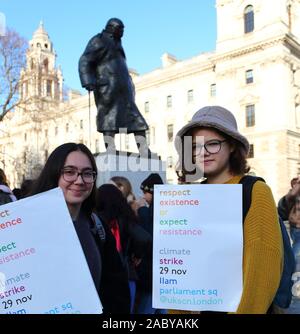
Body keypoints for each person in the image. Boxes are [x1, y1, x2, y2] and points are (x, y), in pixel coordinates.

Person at [173, 105, 283, 314]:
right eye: (194, 147)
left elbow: (262, 271)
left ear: (232, 145)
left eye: (212, 144)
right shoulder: (187, 197)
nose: (202, 153)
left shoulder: (255, 191)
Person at [29, 143, 104, 311]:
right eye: (69, 172)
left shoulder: (96, 225)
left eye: (87, 173)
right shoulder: (24, 226)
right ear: (54, 174)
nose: (79, 181)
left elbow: (113, 287)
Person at [78, 18, 150, 156]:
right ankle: (110, 149)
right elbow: (85, 60)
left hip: (123, 89)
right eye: (120, 29)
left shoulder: (118, 42)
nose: (122, 32)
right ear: (112, 28)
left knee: (137, 120)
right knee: (108, 119)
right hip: (107, 89)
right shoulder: (98, 40)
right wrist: (87, 80)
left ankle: (144, 150)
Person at [95, 184, 151, 314]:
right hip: (126, 274)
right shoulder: (125, 218)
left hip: (101, 277)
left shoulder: (94, 219)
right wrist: (137, 255)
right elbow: (145, 238)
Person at [135, 173, 167, 314]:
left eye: (145, 193)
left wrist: (142, 210)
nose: (143, 196)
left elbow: (149, 233)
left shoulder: (154, 209)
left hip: (151, 268)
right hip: (161, 269)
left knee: (147, 306)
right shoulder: (163, 207)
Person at [278, 177, 300, 297]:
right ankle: (295, 284)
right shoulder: (295, 193)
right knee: (296, 255)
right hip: (297, 227)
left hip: (296, 226)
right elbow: (288, 199)